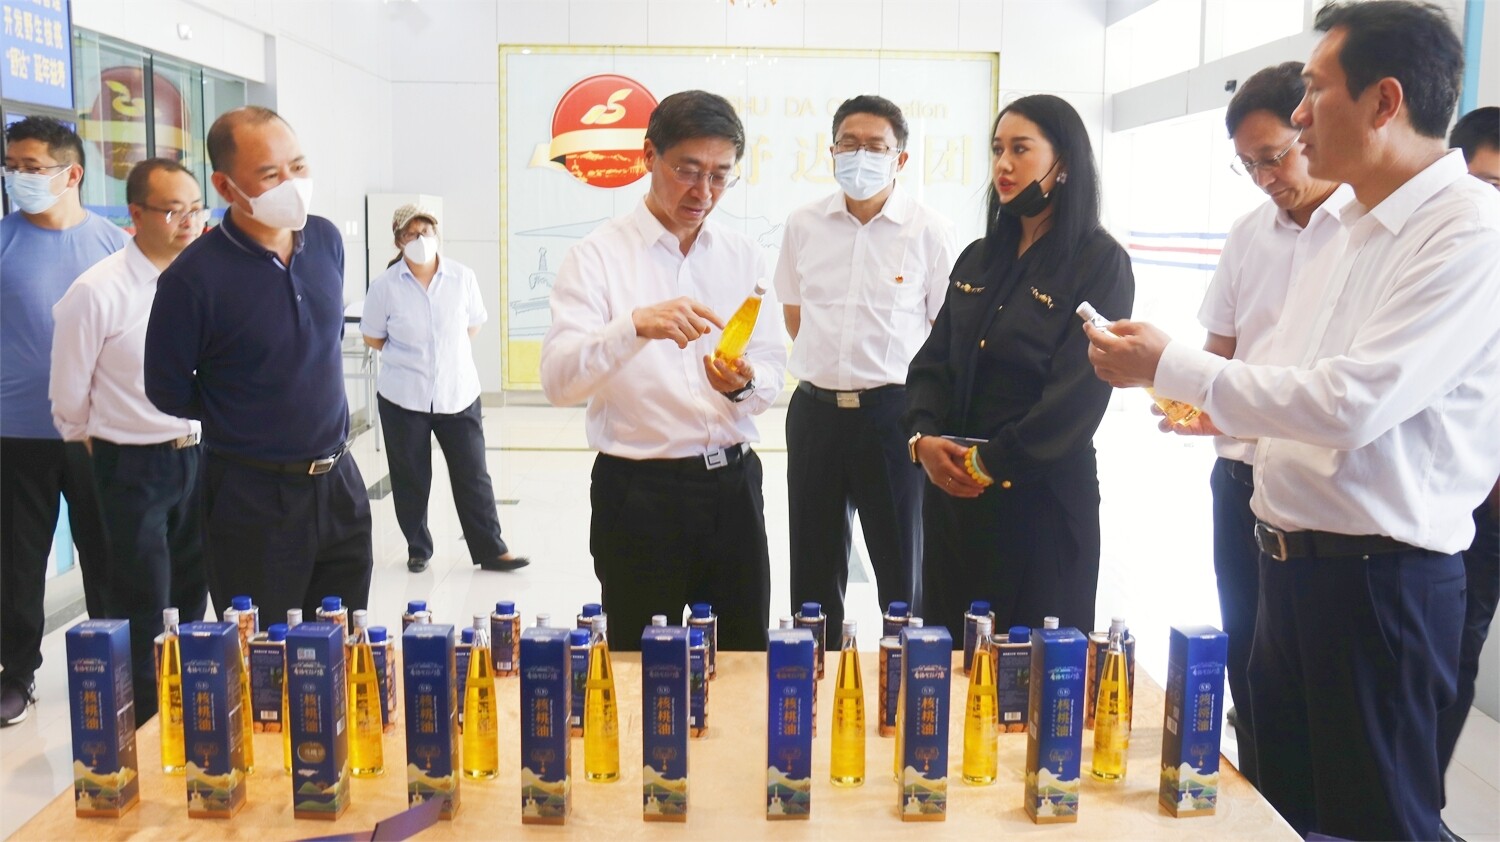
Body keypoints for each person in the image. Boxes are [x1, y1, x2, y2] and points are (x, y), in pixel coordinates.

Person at [1084, 4, 1500, 838]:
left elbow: (1351, 403)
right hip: (1289, 566)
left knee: (1377, 822)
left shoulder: (1468, 231)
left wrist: (1172, 366)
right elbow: (1292, 379)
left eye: (1314, 91)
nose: (1300, 115)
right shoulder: (1345, 226)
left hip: (1380, 585)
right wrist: (1212, 404)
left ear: (1384, 102)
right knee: (1280, 812)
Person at [541, 90, 786, 651]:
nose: (703, 192)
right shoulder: (596, 257)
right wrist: (633, 327)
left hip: (734, 489)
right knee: (639, 662)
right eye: (688, 171)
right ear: (649, 155)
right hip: (640, 494)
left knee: (743, 655)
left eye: (720, 176)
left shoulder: (743, 255)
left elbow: (772, 366)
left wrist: (746, 383)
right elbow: (557, 380)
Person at [903, 94, 1134, 641]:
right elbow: (933, 363)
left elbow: (1075, 399)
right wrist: (922, 439)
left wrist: (989, 462)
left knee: (1032, 671)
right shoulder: (978, 257)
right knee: (950, 659)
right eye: (997, 149)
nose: (1003, 165)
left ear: (1064, 163)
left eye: (1021, 149)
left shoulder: (1100, 262)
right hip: (956, 496)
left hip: (1040, 504)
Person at [144, 106, 374, 628]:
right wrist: (242, 411)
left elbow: (318, 344)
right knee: (263, 654)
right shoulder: (193, 279)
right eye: (270, 175)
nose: (292, 183)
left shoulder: (325, 240)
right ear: (226, 187)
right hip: (252, 497)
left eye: (298, 166)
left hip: (339, 481)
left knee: (343, 643)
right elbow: (166, 388)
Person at [1194, 61, 1351, 789]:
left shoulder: (1360, 232)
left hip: (1323, 489)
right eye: (1248, 164)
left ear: (1310, 129)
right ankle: (1261, 799)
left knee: (1321, 678)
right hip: (1240, 476)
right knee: (1248, 653)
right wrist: (1187, 397)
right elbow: (1218, 352)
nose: (1264, 178)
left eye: (1275, 157)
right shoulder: (1248, 234)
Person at [774, 95, 957, 638]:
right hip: (815, 414)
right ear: (831, 152)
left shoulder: (929, 230)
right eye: (849, 144)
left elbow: (942, 331)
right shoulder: (804, 224)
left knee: (902, 569)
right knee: (812, 568)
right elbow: (794, 313)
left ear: (900, 158)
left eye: (876, 146)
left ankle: (904, 671)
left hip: (893, 417)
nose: (861, 156)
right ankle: (814, 670)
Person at [49, 158, 210, 727]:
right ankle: (146, 726)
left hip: (198, 456)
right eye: (173, 211)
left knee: (192, 598)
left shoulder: (205, 280)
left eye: (196, 209)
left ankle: (191, 718)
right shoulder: (96, 291)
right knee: (143, 605)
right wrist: (105, 451)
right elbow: (68, 396)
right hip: (132, 466)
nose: (188, 222)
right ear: (135, 215)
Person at [1, 116, 126, 726]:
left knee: (108, 553)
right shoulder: (3, 242)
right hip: (16, 432)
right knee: (16, 562)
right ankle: (16, 673)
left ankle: (113, 664)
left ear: (71, 173)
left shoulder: (114, 246)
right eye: (11, 167)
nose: (17, 177)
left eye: (31, 167)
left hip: (97, 433)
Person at [360, 204, 528, 574]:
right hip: (403, 397)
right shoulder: (385, 286)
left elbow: (473, 325)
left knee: (473, 475)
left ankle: (491, 549)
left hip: (458, 393)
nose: (421, 239)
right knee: (410, 478)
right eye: (412, 233)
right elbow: (373, 336)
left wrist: (443, 355)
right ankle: (418, 547)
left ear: (436, 235)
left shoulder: (462, 277)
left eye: (426, 232)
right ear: (398, 241)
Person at [1437, 104, 1500, 842]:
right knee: (1432, 661)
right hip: (1442, 498)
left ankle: (1421, 808)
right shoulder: (1447, 260)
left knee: (1461, 657)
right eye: (1488, 186)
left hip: (1492, 508)